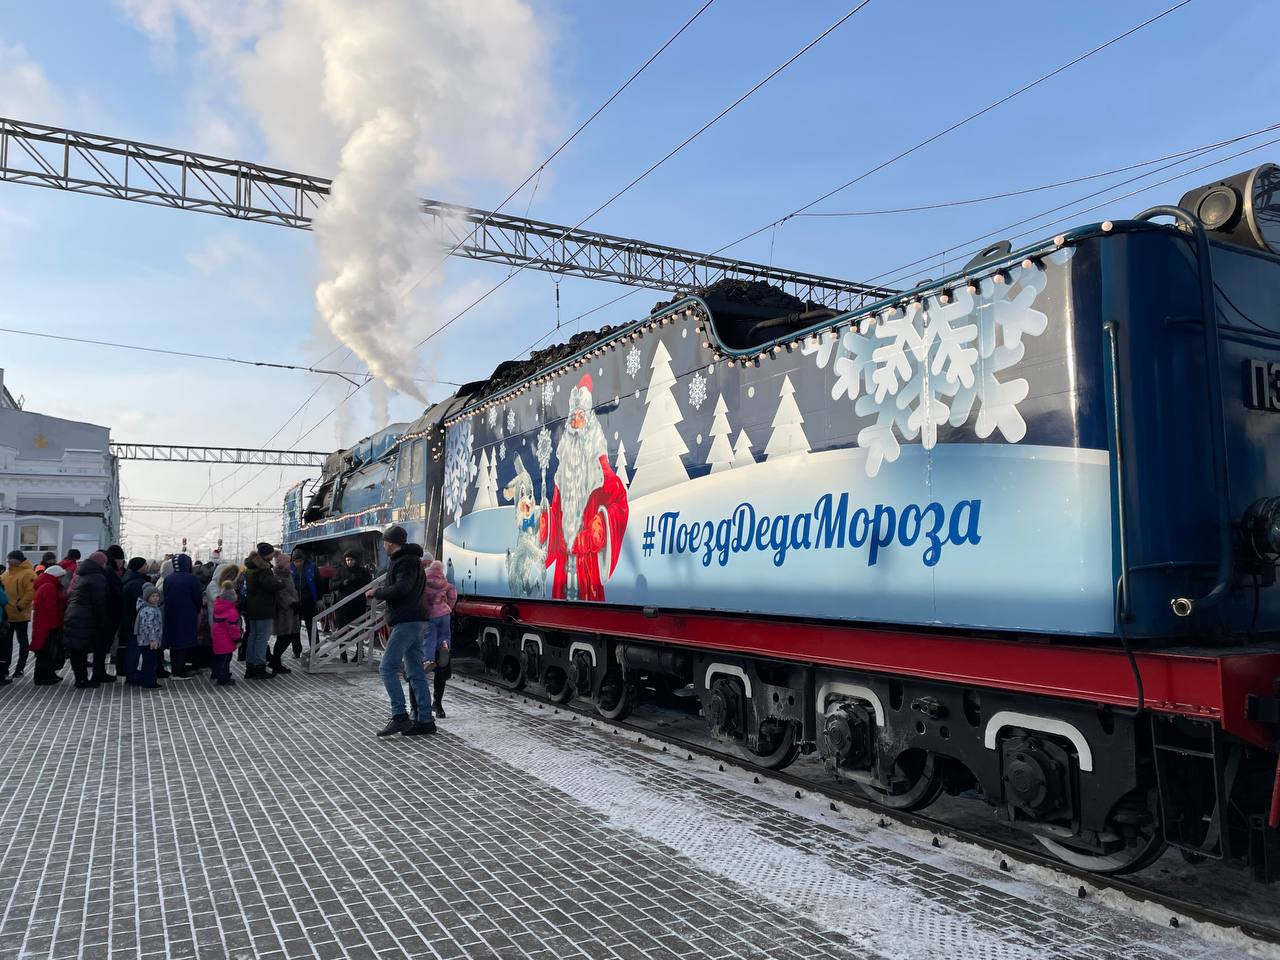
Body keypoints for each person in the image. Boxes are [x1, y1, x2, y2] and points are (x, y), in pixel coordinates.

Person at [368, 525, 433, 737]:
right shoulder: (411, 560)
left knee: (387, 668)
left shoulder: (404, 561)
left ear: (391, 542)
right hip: (415, 618)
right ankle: (425, 720)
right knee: (415, 671)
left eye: (385, 542)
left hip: (407, 619)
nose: (384, 545)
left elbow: (402, 588)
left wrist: (377, 592)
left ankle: (400, 716)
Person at [63, 552, 109, 688]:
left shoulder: (81, 574)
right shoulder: (97, 577)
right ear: (101, 563)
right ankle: (82, 680)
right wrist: (103, 620)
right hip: (86, 617)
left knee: (77, 650)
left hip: (73, 613)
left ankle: (80, 678)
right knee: (80, 650)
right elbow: (99, 601)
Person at [422, 556, 457, 719]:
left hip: (427, 622)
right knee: (442, 669)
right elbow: (453, 593)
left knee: (421, 667)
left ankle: (420, 707)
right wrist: (448, 607)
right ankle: (438, 704)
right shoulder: (444, 579)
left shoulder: (423, 579)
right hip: (444, 615)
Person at [242, 543, 280, 680]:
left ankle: (250, 667)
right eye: (271, 554)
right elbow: (269, 585)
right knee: (262, 638)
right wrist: (280, 582)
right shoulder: (263, 569)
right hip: (264, 608)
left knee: (253, 636)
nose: (273, 556)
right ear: (267, 555)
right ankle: (259, 666)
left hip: (253, 607)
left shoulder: (251, 567)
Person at [162, 554, 203, 678]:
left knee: (175, 641)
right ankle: (180, 670)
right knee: (184, 641)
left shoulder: (168, 579)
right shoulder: (192, 579)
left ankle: (176, 667)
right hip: (187, 613)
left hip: (171, 613)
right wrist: (197, 609)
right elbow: (197, 597)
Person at [329, 550, 372, 661]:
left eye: (351, 560)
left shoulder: (363, 571)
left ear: (356, 560)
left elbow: (368, 583)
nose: (349, 562)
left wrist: (357, 581)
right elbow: (331, 585)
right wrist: (343, 583)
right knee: (342, 630)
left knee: (358, 631)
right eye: (347, 560)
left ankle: (359, 653)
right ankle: (343, 655)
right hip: (343, 606)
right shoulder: (340, 571)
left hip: (357, 605)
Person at [30, 564, 67, 685]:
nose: (62, 580)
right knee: (46, 652)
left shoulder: (46, 585)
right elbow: (51, 608)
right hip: (48, 625)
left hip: (43, 625)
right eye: (60, 577)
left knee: (46, 652)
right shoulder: (49, 587)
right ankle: (42, 677)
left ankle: (48, 675)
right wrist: (56, 625)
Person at [1, 550, 35, 683]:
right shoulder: (6, 573)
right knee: (6, 644)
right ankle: (4, 669)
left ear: (17, 559)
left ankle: (20, 668)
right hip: (7, 615)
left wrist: (20, 605)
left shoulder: (28, 573)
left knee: (22, 642)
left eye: (10, 559)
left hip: (20, 614)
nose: (8, 561)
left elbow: (30, 591)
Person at [94, 545, 126, 683]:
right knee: (102, 645)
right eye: (121, 560)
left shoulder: (106, 570)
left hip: (106, 614)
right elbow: (114, 594)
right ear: (116, 559)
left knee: (102, 645)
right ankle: (98, 673)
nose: (122, 563)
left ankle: (99, 672)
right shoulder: (110, 572)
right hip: (109, 614)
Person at [118, 558, 149, 677]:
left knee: (129, 646)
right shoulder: (137, 583)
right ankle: (132, 673)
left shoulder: (128, 578)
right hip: (135, 620)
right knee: (134, 648)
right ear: (139, 567)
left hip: (127, 618)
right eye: (145, 564)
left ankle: (126, 670)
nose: (147, 566)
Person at [271, 553, 299, 676]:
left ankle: (275, 661)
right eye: (288, 562)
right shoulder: (278, 576)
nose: (290, 564)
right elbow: (281, 594)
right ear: (282, 564)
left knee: (287, 636)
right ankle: (275, 661)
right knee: (284, 636)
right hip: (283, 612)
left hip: (290, 611)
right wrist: (292, 603)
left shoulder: (287, 575)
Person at [209, 577, 240, 687]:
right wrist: (237, 639)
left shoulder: (219, 606)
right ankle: (223, 678)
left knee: (220, 658)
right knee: (226, 659)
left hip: (218, 638)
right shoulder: (231, 612)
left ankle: (220, 674)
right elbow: (233, 628)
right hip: (226, 640)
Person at [132, 584, 164, 689]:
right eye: (153, 596)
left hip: (148, 640)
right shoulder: (148, 610)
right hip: (148, 641)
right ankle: (149, 682)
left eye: (157, 596)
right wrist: (153, 639)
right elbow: (149, 626)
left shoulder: (152, 608)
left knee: (148, 661)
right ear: (147, 597)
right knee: (150, 662)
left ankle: (148, 680)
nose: (155, 598)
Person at [290, 549, 319, 659]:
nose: (298, 563)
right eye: (296, 561)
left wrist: (319, 598)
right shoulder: (290, 569)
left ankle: (315, 648)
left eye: (300, 560)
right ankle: (296, 650)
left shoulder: (312, 568)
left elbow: (318, 582)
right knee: (295, 627)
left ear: (304, 559)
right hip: (295, 602)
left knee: (311, 625)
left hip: (309, 600)